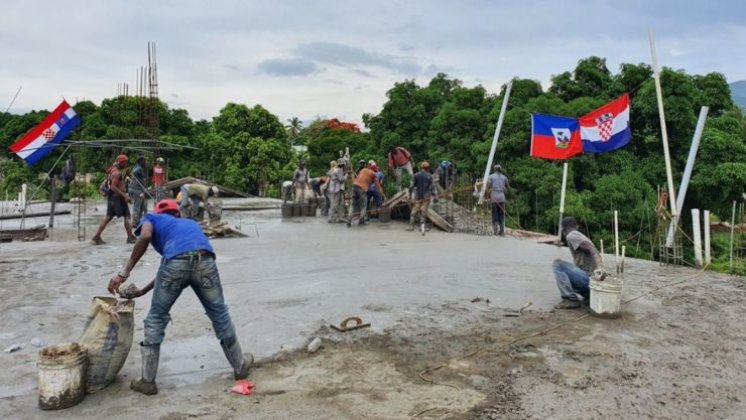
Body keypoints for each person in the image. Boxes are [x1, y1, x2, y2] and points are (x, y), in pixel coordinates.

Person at [106, 199, 253, 395]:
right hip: (205, 261)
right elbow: (172, 266)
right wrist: (142, 291)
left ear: (159, 212)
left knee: (156, 317)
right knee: (219, 314)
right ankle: (239, 366)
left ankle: (147, 381)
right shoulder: (190, 224)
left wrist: (123, 273)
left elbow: (150, 240)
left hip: (176, 264)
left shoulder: (151, 218)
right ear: (177, 214)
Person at [553, 217, 605, 309]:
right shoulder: (579, 235)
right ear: (577, 226)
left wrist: (600, 268)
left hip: (589, 280)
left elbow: (591, 248)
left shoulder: (572, 235)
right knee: (567, 273)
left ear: (563, 229)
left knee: (558, 264)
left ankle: (570, 299)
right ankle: (588, 297)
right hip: (592, 283)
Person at [91, 154, 136, 245]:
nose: (126, 164)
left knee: (108, 217)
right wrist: (124, 195)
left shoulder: (112, 170)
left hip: (112, 198)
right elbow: (113, 187)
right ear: (122, 162)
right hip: (118, 198)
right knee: (127, 215)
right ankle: (130, 237)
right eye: (125, 162)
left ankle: (97, 236)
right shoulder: (117, 173)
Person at [407, 161, 435, 235]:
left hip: (418, 196)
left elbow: (411, 186)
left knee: (414, 210)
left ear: (421, 167)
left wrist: (410, 195)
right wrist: (434, 195)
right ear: (428, 168)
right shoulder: (430, 176)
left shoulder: (416, 175)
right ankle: (421, 227)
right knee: (423, 211)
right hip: (426, 197)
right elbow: (432, 187)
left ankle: (410, 226)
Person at [486, 164, 510, 236]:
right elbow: (508, 188)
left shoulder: (491, 176)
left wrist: (489, 191)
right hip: (502, 197)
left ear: (494, 169)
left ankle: (495, 230)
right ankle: (502, 231)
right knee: (501, 215)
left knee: (495, 214)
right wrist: (505, 191)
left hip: (494, 197)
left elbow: (488, 186)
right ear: (500, 169)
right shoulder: (504, 177)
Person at [129, 156, 149, 228]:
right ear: (141, 161)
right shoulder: (138, 168)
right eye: (145, 161)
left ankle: (138, 222)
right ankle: (134, 223)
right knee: (137, 207)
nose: (146, 163)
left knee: (141, 207)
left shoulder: (137, 167)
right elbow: (134, 172)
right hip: (137, 190)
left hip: (138, 190)